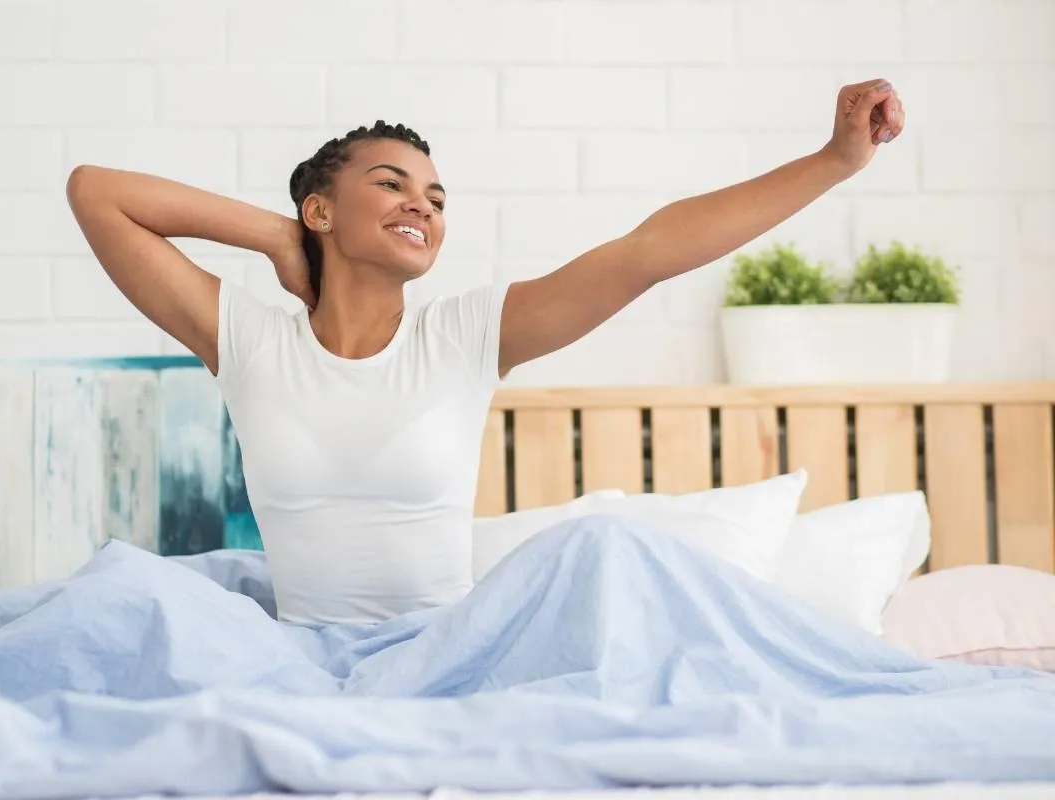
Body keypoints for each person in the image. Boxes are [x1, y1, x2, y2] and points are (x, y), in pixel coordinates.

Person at [66, 79, 906, 628]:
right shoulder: (248, 340)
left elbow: (649, 251)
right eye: (391, 183)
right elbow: (96, 193)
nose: (421, 206)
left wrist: (834, 161)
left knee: (608, 552)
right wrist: (277, 237)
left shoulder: (466, 335)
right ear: (323, 210)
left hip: (446, 657)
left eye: (435, 197)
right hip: (298, 662)